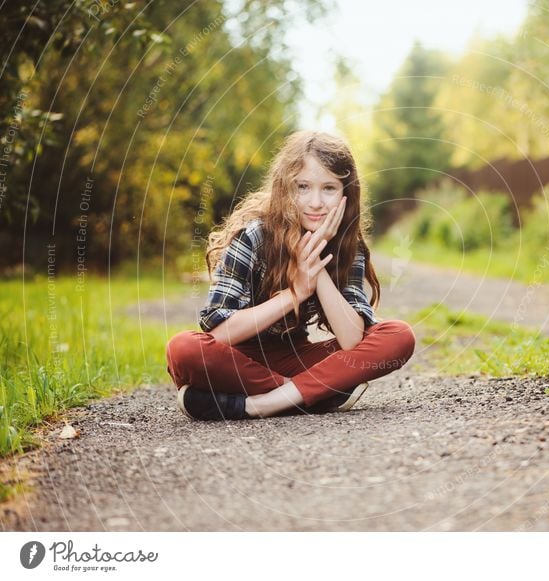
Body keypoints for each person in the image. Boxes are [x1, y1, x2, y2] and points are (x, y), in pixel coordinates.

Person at [165, 130, 416, 421]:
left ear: (346, 194)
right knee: (183, 348)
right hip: (237, 359)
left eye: (329, 188)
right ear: (285, 189)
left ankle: (260, 404)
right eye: (303, 187)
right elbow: (219, 335)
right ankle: (314, 393)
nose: (316, 202)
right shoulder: (255, 236)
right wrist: (295, 292)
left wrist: (316, 266)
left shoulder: (348, 245)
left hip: (296, 358)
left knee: (398, 335)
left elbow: (351, 340)